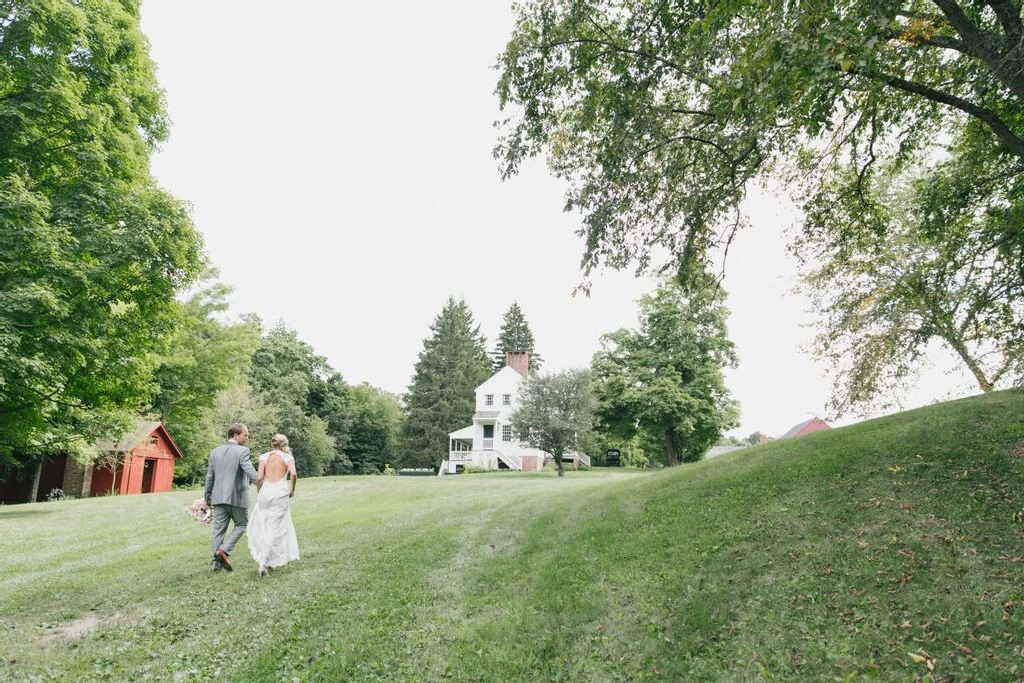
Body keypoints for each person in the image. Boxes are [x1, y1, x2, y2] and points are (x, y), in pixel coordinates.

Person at [204, 423, 257, 572]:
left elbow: (210, 477)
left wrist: (208, 497)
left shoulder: (215, 452)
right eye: (245, 435)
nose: (247, 438)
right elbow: (250, 471)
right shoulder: (243, 451)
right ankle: (224, 550)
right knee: (241, 524)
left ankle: (215, 565)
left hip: (218, 497)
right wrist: (263, 484)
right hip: (237, 497)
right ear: (235, 435)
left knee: (218, 531)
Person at [247, 433, 300, 577]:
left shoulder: (264, 457)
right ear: (284, 444)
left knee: (264, 523)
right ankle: (264, 563)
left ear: (272, 444)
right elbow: (294, 474)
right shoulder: (288, 457)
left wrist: (260, 492)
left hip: (266, 491)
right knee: (276, 526)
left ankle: (267, 561)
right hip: (280, 491)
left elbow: (259, 478)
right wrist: (292, 490)